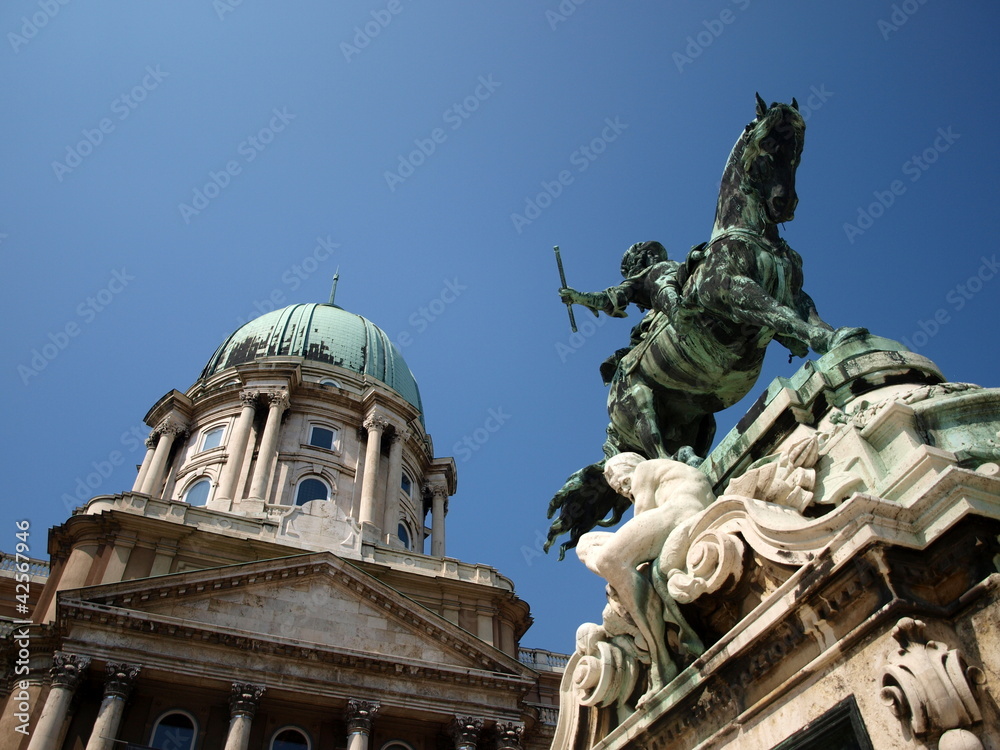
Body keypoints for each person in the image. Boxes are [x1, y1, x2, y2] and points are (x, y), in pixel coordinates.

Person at [574, 452, 714, 703]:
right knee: (588, 544)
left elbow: (642, 517)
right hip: (680, 513)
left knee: (607, 559)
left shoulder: (644, 470)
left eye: (616, 478)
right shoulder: (666, 478)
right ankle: (620, 578)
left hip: (680, 513)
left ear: (628, 465)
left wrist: (619, 569)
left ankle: (661, 659)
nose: (619, 487)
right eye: (615, 486)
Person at [559, 241, 686, 385]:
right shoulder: (642, 279)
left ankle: (679, 312)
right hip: (668, 304)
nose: (654, 257)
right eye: (649, 253)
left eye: (654, 253)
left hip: (686, 293)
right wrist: (580, 297)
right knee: (638, 339)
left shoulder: (673, 267)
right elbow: (611, 298)